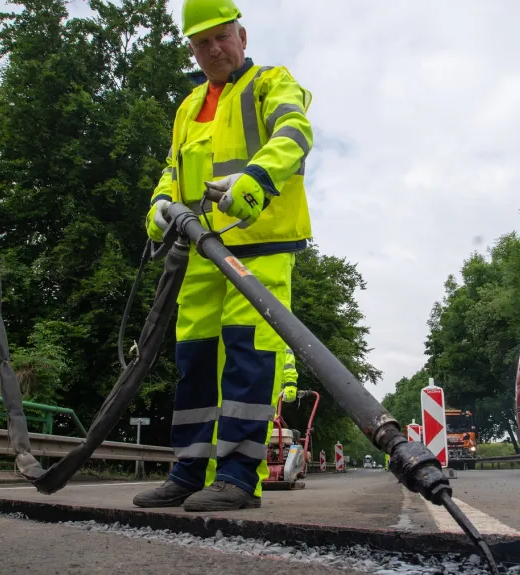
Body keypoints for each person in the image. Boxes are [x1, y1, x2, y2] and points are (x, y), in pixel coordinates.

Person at [133, 0, 313, 512]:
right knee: (195, 361)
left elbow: (295, 134)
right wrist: (159, 208)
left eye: (222, 36)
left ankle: (236, 476)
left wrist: (255, 179)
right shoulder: (188, 107)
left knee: (247, 359)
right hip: (199, 252)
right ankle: (190, 472)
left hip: (260, 245)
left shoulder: (272, 82)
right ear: (192, 49)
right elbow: (173, 171)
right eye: (201, 42)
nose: (213, 49)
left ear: (243, 36)